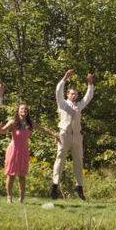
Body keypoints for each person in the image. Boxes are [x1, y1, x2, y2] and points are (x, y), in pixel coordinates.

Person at [0, 104, 58, 203]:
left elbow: (43, 129)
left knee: (22, 176)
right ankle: (9, 197)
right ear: (18, 111)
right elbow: (3, 131)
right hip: (13, 150)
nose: (24, 110)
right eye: (22, 109)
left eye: (26, 109)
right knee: (11, 175)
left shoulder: (30, 123)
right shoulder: (13, 122)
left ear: (28, 112)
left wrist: (54, 135)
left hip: (24, 151)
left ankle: (22, 199)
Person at [51, 69, 95, 200]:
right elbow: (58, 91)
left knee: (78, 161)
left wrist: (90, 84)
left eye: (76, 94)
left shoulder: (79, 106)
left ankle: (79, 186)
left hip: (76, 136)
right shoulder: (62, 104)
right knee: (60, 159)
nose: (74, 96)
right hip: (64, 134)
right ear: (68, 95)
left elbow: (88, 98)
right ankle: (54, 185)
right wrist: (64, 78)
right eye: (72, 94)